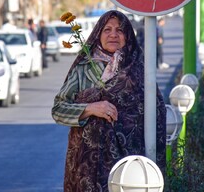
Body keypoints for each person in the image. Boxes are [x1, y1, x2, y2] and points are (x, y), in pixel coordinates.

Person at [51, 10, 166, 192]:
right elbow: (58, 110)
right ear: (98, 33)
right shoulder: (83, 68)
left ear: (128, 36)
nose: (113, 34)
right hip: (86, 167)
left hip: (128, 167)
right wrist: (90, 108)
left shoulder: (138, 69)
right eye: (107, 29)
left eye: (120, 30)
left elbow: (157, 112)